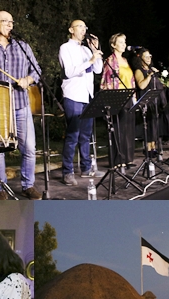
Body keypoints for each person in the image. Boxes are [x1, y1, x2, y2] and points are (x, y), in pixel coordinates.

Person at [0, 10, 42, 200]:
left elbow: (36, 71)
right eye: (4, 21)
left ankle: (28, 185)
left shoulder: (23, 47)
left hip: (21, 103)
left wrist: (28, 79)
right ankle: (1, 187)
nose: (9, 25)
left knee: (28, 148)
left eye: (11, 22)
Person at [59, 20, 104, 185]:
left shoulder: (86, 49)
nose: (84, 29)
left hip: (87, 96)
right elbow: (69, 71)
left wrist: (95, 51)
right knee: (73, 135)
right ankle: (67, 172)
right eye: (80, 26)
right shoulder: (65, 48)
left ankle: (86, 169)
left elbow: (98, 70)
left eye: (85, 27)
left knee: (86, 135)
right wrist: (90, 61)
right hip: (73, 95)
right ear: (71, 29)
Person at [100, 33, 137, 168]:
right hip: (117, 97)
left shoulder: (126, 61)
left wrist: (133, 98)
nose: (124, 44)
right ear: (113, 45)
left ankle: (128, 159)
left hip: (128, 96)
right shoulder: (110, 61)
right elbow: (107, 82)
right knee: (118, 129)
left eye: (124, 42)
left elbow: (131, 80)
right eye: (121, 42)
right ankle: (117, 160)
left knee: (128, 128)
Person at [133, 48, 167, 159]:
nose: (149, 58)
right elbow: (142, 85)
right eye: (146, 56)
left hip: (156, 102)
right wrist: (149, 75)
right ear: (140, 58)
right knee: (149, 126)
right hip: (147, 103)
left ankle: (153, 148)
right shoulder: (139, 70)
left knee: (155, 126)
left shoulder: (151, 69)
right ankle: (147, 149)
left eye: (150, 56)